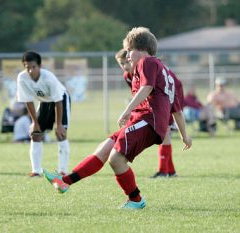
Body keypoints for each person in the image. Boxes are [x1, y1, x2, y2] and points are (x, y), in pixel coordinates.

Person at [43, 27, 192, 209]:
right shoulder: (163, 71)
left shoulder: (147, 62)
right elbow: (176, 109)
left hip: (148, 120)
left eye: (130, 50)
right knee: (105, 149)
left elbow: (147, 89)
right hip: (144, 120)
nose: (127, 55)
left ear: (142, 49)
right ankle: (65, 181)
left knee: (116, 159)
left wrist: (127, 110)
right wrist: (185, 135)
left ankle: (136, 200)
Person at [116, 49, 183, 178]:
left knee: (165, 133)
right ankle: (171, 171)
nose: (125, 66)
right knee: (164, 135)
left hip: (168, 98)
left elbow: (158, 87)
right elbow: (138, 94)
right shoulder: (128, 76)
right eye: (121, 64)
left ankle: (163, 171)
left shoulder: (147, 67)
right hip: (154, 103)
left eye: (127, 62)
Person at [16, 51, 71, 177]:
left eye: (33, 67)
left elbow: (58, 101)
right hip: (44, 102)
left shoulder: (48, 78)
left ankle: (63, 170)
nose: (30, 70)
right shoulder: (22, 78)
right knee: (36, 134)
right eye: (27, 67)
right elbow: (28, 100)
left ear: (40, 66)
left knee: (61, 133)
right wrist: (34, 123)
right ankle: (36, 171)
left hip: (60, 100)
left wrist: (59, 124)